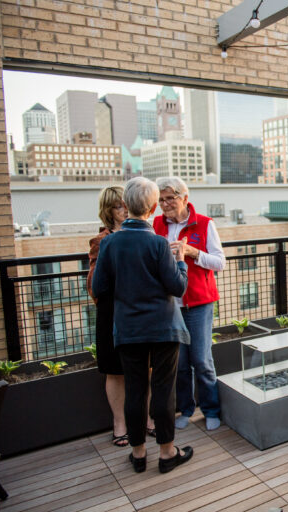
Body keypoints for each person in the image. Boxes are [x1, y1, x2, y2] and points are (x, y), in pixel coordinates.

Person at [91, 177, 193, 474]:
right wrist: (181, 260)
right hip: (163, 328)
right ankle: (166, 453)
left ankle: (138, 455)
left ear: (129, 205)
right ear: (151, 207)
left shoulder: (109, 243)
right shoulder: (159, 244)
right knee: (163, 391)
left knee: (135, 391)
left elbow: (100, 288)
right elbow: (177, 287)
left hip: (129, 330)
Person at [153, 177, 225, 431]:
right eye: (161, 200)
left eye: (170, 198)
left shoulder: (204, 224)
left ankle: (211, 409)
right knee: (180, 363)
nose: (165, 204)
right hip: (172, 304)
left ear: (184, 197)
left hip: (200, 301)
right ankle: (186, 409)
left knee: (201, 359)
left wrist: (194, 254)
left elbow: (219, 262)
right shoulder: (156, 225)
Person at [86, 185, 129, 447]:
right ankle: (120, 423)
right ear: (107, 211)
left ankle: (146, 419)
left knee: (145, 368)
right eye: (117, 205)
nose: (123, 209)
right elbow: (93, 284)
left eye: (126, 204)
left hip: (139, 310)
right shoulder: (100, 242)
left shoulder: (145, 234)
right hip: (112, 311)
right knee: (114, 371)